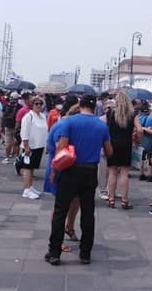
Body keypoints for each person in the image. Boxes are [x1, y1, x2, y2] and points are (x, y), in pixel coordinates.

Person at [45, 95, 112, 265]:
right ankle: (85, 253)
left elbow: (61, 147)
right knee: (88, 212)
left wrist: (54, 170)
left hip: (70, 169)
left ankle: (54, 252)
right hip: (90, 171)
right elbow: (109, 152)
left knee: (60, 210)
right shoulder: (101, 125)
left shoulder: (70, 122)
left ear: (80, 105)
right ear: (94, 107)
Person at [45, 101, 81, 253]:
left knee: (75, 199)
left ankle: (69, 227)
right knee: (60, 206)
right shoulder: (63, 126)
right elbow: (60, 149)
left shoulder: (65, 124)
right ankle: (56, 239)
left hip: (66, 168)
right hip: (60, 167)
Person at [105, 92, 136, 209]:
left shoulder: (110, 113)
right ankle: (124, 201)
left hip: (112, 144)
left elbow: (106, 127)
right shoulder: (132, 114)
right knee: (124, 172)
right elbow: (139, 129)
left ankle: (111, 199)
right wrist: (136, 138)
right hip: (126, 145)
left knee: (112, 172)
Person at [20, 96, 48, 198]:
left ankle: (30, 186)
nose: (39, 105)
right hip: (30, 146)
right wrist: (26, 145)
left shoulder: (43, 116)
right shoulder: (28, 116)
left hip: (39, 145)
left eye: (41, 103)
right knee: (28, 167)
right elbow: (24, 132)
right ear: (32, 105)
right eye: (36, 103)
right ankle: (26, 189)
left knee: (33, 168)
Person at [2, 92, 20, 163]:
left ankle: (7, 158)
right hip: (17, 126)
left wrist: (2, 126)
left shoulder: (6, 105)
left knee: (8, 142)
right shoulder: (19, 106)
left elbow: (3, 116)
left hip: (7, 125)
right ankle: (17, 158)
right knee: (16, 142)